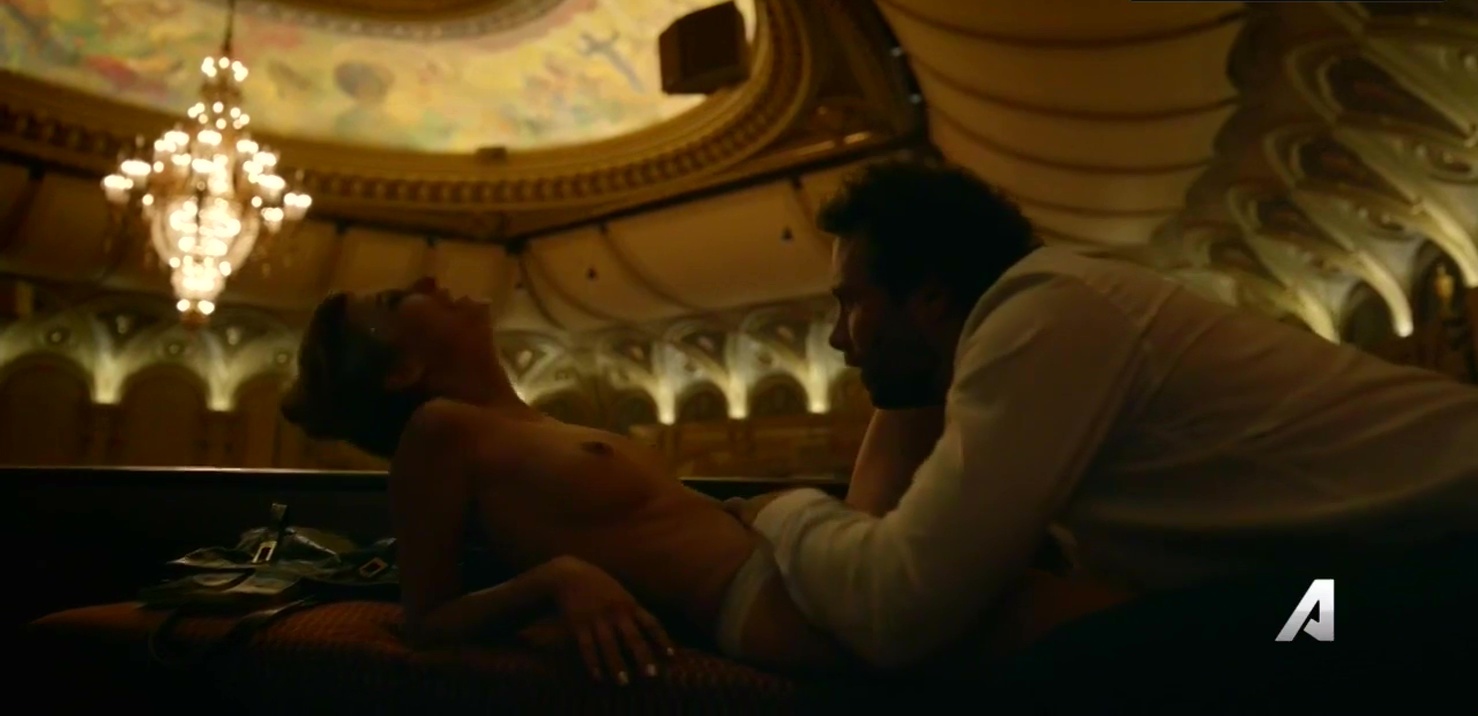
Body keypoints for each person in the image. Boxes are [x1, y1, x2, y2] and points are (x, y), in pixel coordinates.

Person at [726, 158, 1478, 702]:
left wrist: (780, 511)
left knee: (1084, 662)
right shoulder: (1047, 312)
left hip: (1428, 578)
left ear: (929, 296)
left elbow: (898, 610)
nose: (838, 339)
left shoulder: (1043, 315)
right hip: (1369, 578)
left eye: (850, 303)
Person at [278, 276, 1124, 686]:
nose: (427, 282)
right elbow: (425, 618)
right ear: (402, 369)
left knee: (911, 378)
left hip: (792, 555)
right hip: (763, 603)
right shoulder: (439, 431)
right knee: (1082, 616)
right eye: (397, 299)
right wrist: (559, 579)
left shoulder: (536, 422)